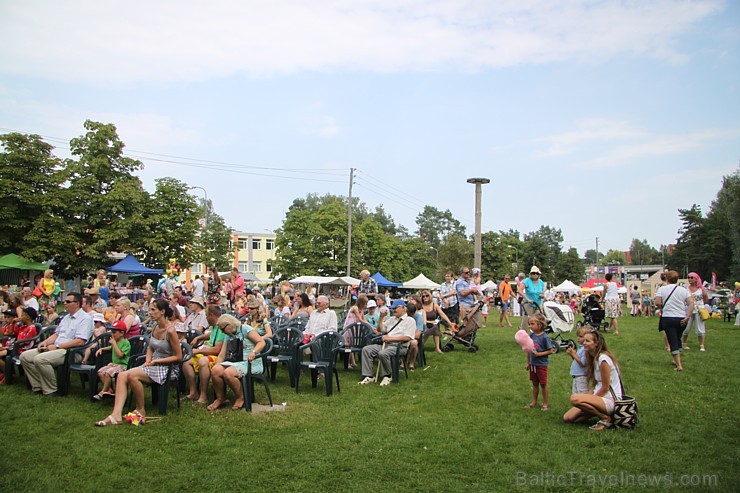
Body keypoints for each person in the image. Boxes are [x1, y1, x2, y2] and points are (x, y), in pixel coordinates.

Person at [95, 299, 182, 426]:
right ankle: (116, 414)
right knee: (122, 375)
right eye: (150, 309)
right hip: (153, 363)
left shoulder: (171, 331)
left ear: (162, 312)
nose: (149, 312)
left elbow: (178, 357)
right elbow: (150, 347)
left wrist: (157, 361)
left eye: (153, 310)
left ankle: (140, 409)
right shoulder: (155, 327)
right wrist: (148, 359)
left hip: (167, 368)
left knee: (132, 375)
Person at [21, 293, 93, 396]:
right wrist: (45, 342)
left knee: (40, 359)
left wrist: (57, 346)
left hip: (71, 352)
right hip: (56, 348)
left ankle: (51, 390)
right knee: (25, 357)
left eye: (68, 301)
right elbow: (57, 334)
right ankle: (38, 386)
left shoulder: (85, 319)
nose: (64, 303)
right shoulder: (66, 317)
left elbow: (80, 341)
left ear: (77, 304)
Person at [563, 330, 623, 431]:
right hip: (599, 397)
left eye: (587, 341)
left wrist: (590, 400)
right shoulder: (593, 358)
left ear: (596, 343)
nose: (584, 343)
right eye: (584, 340)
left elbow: (605, 387)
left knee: (575, 399)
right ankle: (601, 414)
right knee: (568, 418)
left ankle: (605, 418)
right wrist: (589, 399)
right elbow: (596, 384)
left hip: (609, 399)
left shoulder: (603, 359)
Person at [207, 314, 266, 411]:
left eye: (222, 329)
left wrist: (254, 352)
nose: (222, 332)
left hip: (251, 362)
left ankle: (240, 397)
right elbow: (222, 355)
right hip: (236, 362)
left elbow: (261, 342)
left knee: (228, 373)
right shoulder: (228, 335)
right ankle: (220, 398)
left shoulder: (245, 329)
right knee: (215, 370)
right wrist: (216, 367)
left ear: (229, 325)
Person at [358, 299, 416, 387]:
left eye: (396, 308)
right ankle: (369, 376)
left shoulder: (410, 321)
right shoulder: (391, 319)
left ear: (403, 308)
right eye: (392, 308)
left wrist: (390, 338)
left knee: (383, 353)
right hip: (386, 345)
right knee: (366, 349)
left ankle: (387, 375)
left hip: (399, 347)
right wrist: (381, 317)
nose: (393, 310)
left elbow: (407, 337)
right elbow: (380, 329)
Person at [183, 305, 226, 403]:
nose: (205, 317)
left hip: (217, 356)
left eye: (206, 315)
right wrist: (199, 338)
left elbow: (217, 350)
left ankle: (203, 395)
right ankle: (193, 392)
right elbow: (211, 335)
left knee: (203, 361)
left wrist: (198, 351)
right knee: (187, 360)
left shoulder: (222, 327)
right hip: (208, 352)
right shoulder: (215, 326)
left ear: (211, 315)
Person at [655, 270, 694, 372]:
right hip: (681, 318)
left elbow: (658, 302)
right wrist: (688, 316)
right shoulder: (683, 290)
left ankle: (679, 365)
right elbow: (691, 303)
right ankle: (676, 359)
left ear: (666, 279)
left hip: (668, 317)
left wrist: (662, 305)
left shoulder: (662, 289)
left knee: (672, 340)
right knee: (677, 338)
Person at [92, 320, 131, 400]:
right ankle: (109, 390)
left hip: (123, 365)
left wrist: (114, 344)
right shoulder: (116, 342)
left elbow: (120, 355)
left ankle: (102, 392)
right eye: (111, 332)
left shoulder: (126, 343)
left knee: (108, 373)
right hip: (114, 364)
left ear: (122, 333)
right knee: (100, 372)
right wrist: (102, 349)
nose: (112, 334)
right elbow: (111, 348)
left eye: (114, 332)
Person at [524, 313, 554, 411]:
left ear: (540, 324)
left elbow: (551, 351)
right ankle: (534, 401)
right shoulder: (531, 336)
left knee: (543, 384)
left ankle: (545, 403)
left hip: (541, 365)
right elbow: (528, 350)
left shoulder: (545, 337)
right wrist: (528, 362)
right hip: (533, 365)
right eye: (529, 324)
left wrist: (539, 354)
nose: (530, 326)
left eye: (532, 324)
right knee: (535, 384)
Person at [0, 307, 38, 384]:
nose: (20, 317)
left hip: (22, 350)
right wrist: (13, 323)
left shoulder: (31, 328)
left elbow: (24, 343)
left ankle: (8, 375)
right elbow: (11, 333)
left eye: (22, 315)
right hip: (15, 348)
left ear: (27, 317)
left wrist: (11, 347)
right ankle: (6, 373)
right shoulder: (22, 327)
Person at [682, 272, 709, 352]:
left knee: (700, 329)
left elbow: (705, 298)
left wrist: (701, 305)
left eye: (692, 277)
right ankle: (684, 343)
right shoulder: (686, 288)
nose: (690, 279)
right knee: (686, 328)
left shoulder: (701, 289)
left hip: (699, 310)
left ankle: (702, 345)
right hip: (688, 310)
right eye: (689, 277)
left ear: (696, 279)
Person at [420, 289, 452, 353]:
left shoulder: (434, 305)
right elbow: (421, 320)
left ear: (430, 297)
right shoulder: (420, 306)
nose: (425, 297)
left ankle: (437, 348)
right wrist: (429, 322)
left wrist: (450, 323)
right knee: (434, 327)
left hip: (433, 324)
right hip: (423, 324)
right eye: (423, 296)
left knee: (435, 327)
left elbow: (442, 314)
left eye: (427, 296)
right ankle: (420, 346)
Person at [455, 267, 482, 337]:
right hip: (465, 306)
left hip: (471, 304)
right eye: (466, 273)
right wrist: (472, 290)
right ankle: (460, 335)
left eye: (469, 272)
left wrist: (475, 291)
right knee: (467, 323)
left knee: (477, 323)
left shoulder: (468, 281)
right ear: (462, 273)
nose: (468, 274)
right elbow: (462, 293)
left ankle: (465, 335)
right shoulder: (460, 282)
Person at [566, 326, 590, 395]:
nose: (578, 338)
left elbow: (583, 362)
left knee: (581, 395)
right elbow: (576, 360)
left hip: (582, 376)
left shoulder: (585, 349)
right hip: (576, 376)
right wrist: (572, 354)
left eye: (581, 336)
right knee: (575, 395)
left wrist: (574, 354)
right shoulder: (581, 347)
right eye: (578, 336)